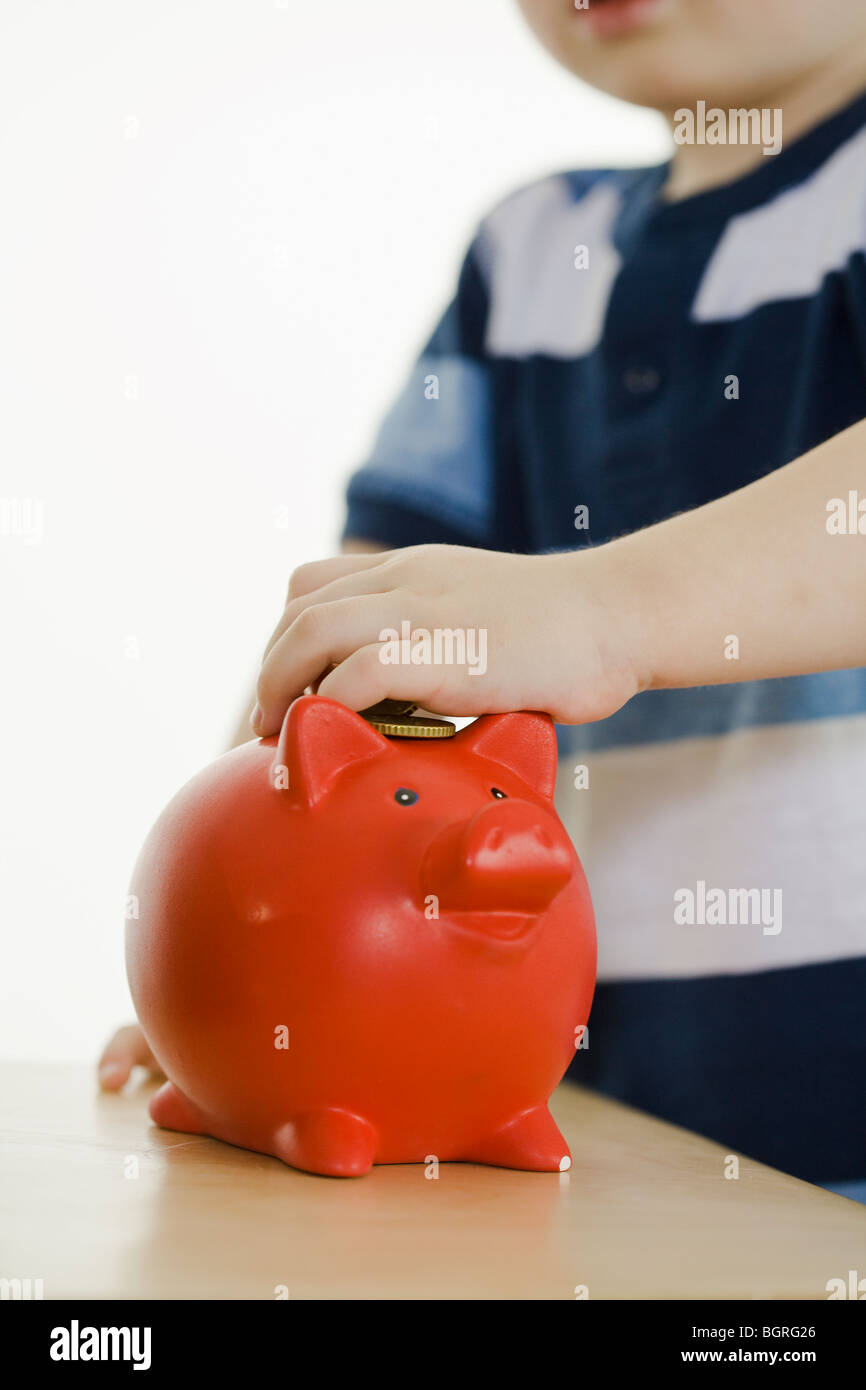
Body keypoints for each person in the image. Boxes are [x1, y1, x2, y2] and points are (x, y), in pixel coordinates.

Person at [102, 0, 866, 1198]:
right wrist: (239, 949)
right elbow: (351, 650)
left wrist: (604, 609)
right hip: (559, 1102)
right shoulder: (528, 255)